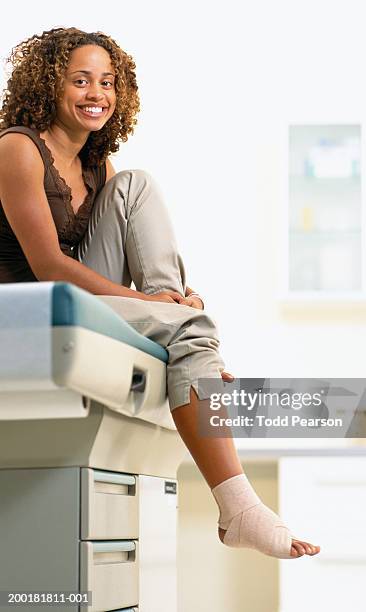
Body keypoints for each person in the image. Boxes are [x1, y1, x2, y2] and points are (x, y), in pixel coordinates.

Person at [0, 27, 320, 560]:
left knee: (137, 183)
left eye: (107, 82)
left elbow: (107, 263)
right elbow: (48, 265)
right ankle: (237, 504)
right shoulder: (17, 148)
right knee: (189, 330)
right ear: (49, 86)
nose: (95, 93)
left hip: (83, 296)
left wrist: (163, 299)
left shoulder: (97, 164)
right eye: (80, 81)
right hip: (32, 302)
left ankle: (186, 342)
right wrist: (154, 309)